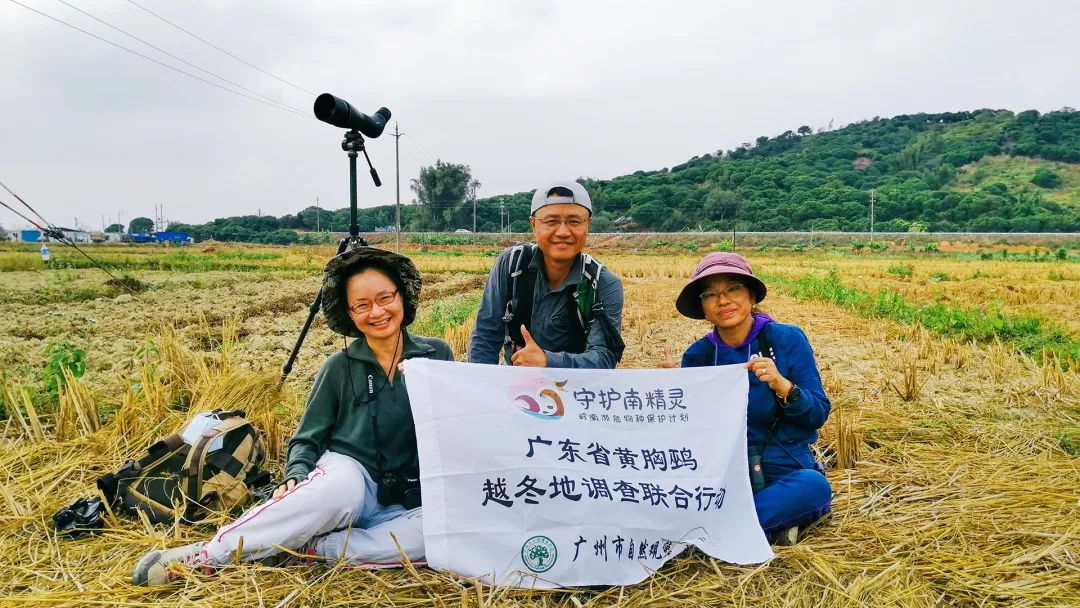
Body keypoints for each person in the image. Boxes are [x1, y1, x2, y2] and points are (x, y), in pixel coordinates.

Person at [132, 247, 454, 586]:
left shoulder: (436, 355)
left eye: (385, 298)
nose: (377, 311)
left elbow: (458, 422)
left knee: (445, 530)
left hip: (408, 495)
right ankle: (209, 555)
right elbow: (307, 436)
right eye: (362, 305)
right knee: (336, 490)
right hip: (352, 476)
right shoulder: (338, 367)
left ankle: (311, 546)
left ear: (402, 296)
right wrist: (296, 473)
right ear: (349, 313)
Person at [673, 252, 832, 545]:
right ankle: (765, 526)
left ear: (750, 296)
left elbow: (818, 413)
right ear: (703, 306)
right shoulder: (698, 356)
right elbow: (691, 429)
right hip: (724, 468)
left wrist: (784, 387)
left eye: (733, 288)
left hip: (782, 463)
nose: (723, 300)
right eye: (710, 294)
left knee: (813, 486)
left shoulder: (784, 340)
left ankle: (715, 530)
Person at [469, 180, 624, 369]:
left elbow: (604, 358)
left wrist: (546, 361)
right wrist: (481, 386)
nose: (563, 232)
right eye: (551, 221)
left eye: (574, 221)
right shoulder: (512, 264)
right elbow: (486, 334)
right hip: (515, 381)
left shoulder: (602, 283)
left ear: (588, 225)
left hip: (575, 387)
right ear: (533, 225)